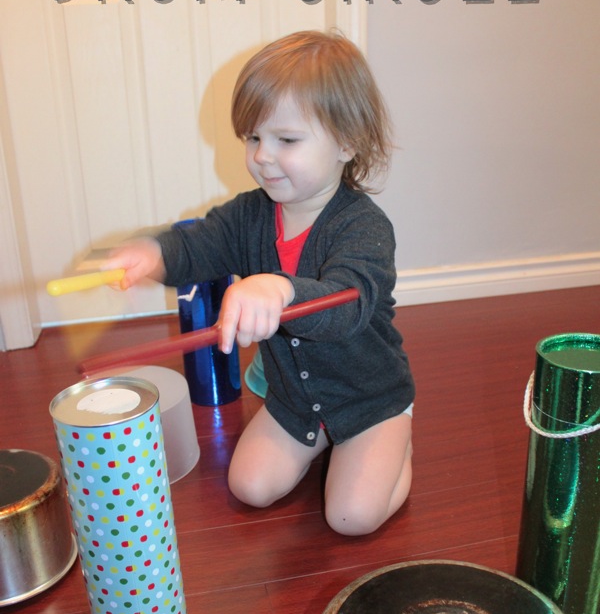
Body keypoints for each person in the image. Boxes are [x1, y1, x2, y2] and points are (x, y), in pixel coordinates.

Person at [107, 30, 415, 536]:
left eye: (286, 140)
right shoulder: (249, 216)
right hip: (295, 399)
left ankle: (397, 437)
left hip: (368, 399)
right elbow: (197, 245)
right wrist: (153, 253)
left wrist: (281, 289)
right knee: (248, 485)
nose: (262, 156)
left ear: (347, 142)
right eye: (253, 137)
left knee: (350, 518)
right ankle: (323, 437)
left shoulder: (364, 227)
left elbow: (348, 302)